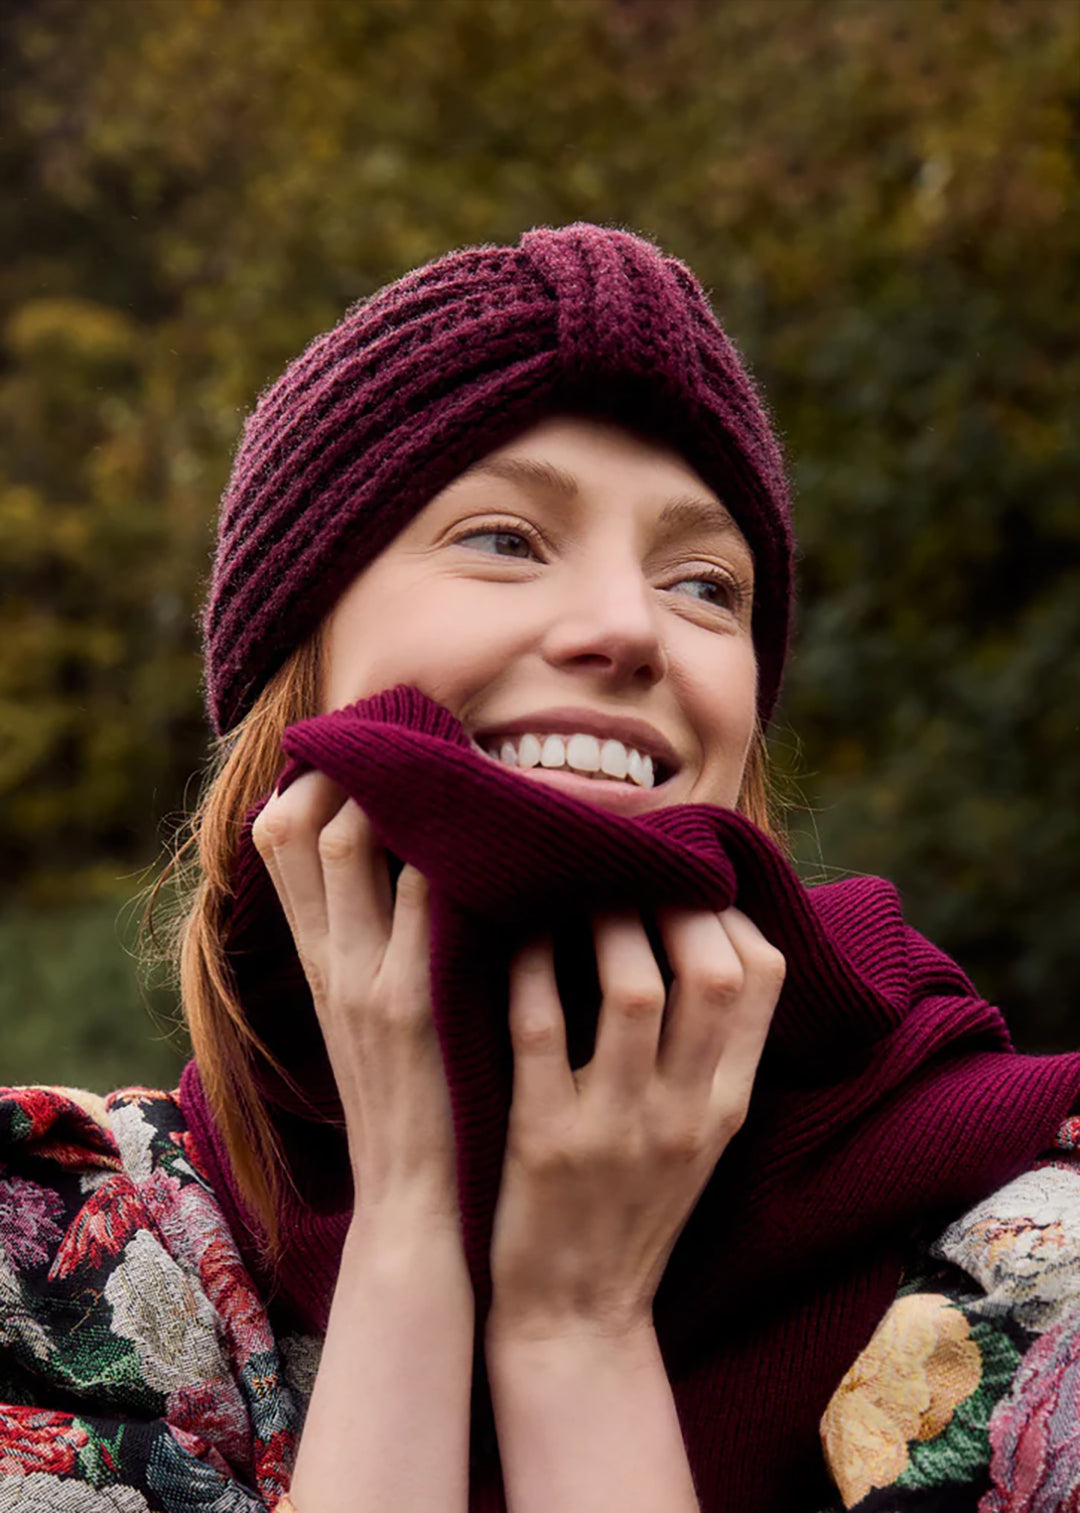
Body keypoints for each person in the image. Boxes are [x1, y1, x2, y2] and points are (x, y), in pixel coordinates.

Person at [1, 223, 1078, 1513]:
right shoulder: (68, 1263)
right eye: (506, 538)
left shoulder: (1027, 1267)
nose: (630, 628)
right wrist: (412, 1233)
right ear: (300, 657)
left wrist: (578, 1325)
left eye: (704, 585)